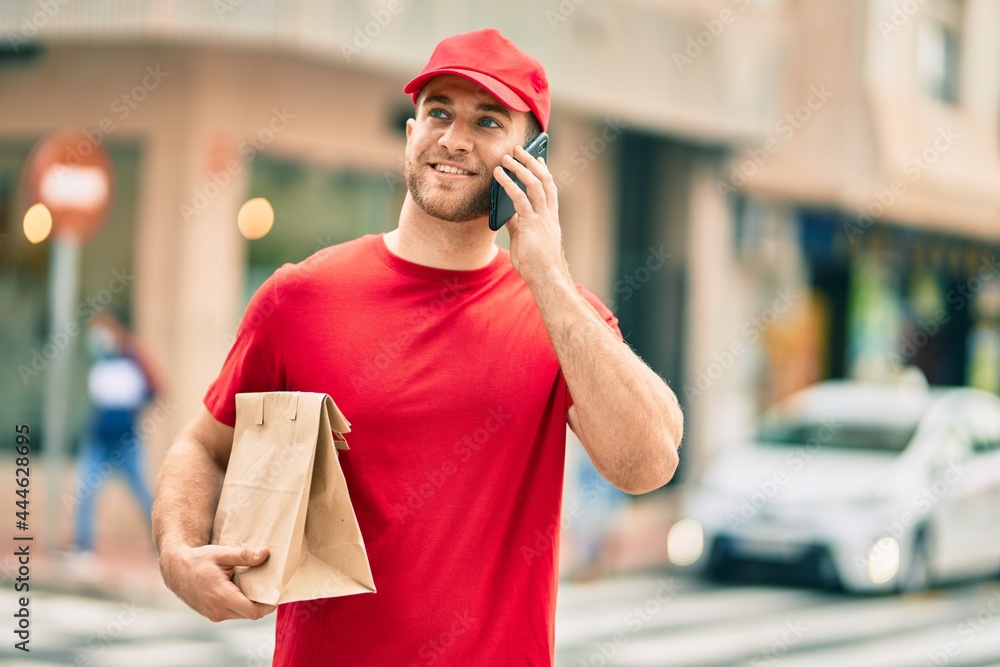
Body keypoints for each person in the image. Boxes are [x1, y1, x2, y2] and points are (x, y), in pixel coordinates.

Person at [153, 28, 683, 666]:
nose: (455, 139)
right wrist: (179, 552)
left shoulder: (562, 315)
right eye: (439, 112)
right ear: (411, 134)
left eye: (488, 121)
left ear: (532, 158)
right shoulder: (301, 297)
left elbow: (647, 464)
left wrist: (545, 269)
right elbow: (204, 445)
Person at [71, 311, 159, 563]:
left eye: (103, 329)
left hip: (126, 441)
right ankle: (82, 546)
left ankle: (162, 542)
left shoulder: (133, 357)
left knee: (143, 492)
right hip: (98, 439)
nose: (99, 337)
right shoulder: (100, 361)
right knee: (85, 490)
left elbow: (155, 389)